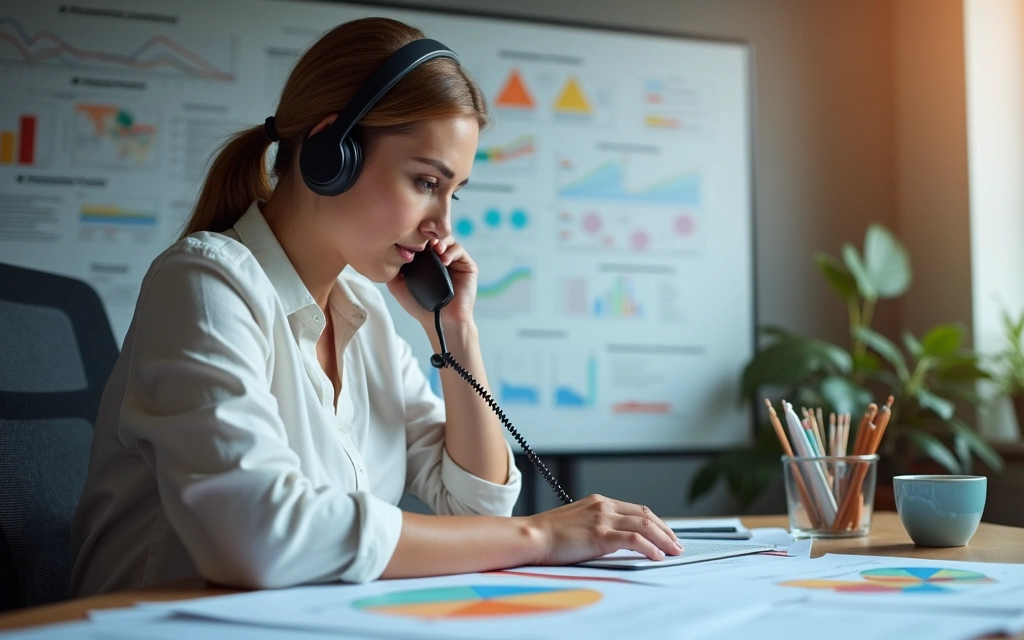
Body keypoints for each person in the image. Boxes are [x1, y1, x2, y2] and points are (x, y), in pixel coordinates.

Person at [70, 17, 681, 597]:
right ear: (331, 153)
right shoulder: (205, 283)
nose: (443, 226)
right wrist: (542, 536)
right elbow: (256, 537)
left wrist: (456, 331)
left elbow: (477, 506)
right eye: (426, 183)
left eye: (454, 193)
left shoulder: (361, 310)